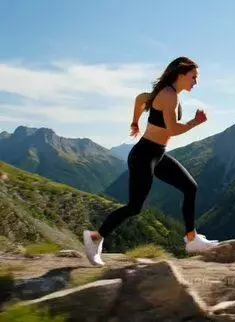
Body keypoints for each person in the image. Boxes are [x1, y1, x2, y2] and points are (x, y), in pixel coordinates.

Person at [83, 56, 219, 266]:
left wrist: (135, 121)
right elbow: (172, 129)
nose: (196, 82)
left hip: (157, 154)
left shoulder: (165, 93)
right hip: (144, 155)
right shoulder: (168, 95)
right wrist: (195, 122)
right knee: (134, 207)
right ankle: (94, 237)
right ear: (181, 74)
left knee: (190, 187)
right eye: (194, 77)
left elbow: (140, 99)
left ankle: (192, 240)